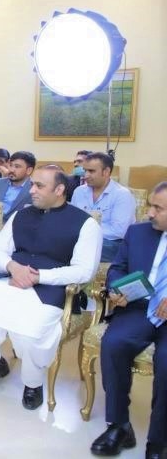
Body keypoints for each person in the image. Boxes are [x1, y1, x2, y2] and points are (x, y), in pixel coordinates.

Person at [0, 166, 102, 410]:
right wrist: (12, 266)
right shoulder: (21, 215)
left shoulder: (86, 224)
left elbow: (84, 271)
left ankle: (33, 383)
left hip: (51, 289)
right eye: (32, 184)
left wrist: (38, 277)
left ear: (59, 189)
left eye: (39, 186)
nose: (32, 190)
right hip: (10, 279)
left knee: (30, 330)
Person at [89, 182, 167, 459]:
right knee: (114, 343)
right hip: (137, 307)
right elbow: (118, 268)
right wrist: (116, 289)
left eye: (158, 208)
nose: (149, 213)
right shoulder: (137, 232)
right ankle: (119, 426)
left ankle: (158, 441)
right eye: (150, 205)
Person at [70, 151, 136, 262]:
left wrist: (87, 232)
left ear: (106, 172)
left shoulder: (122, 195)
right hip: (81, 239)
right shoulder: (79, 191)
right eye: (85, 170)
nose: (86, 175)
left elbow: (119, 231)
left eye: (91, 171)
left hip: (111, 244)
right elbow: (72, 220)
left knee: (75, 247)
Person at [0, 151, 36, 222]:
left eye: (17, 166)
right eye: (11, 165)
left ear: (29, 170)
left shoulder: (34, 189)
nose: (11, 170)